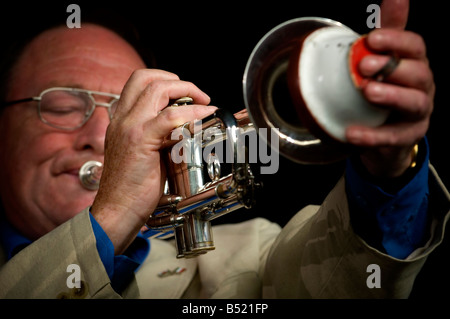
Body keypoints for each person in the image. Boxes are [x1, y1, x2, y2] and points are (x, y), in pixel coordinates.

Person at [0, 0, 448, 299]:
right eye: (60, 105)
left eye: (126, 113)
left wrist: (387, 170)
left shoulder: (246, 258)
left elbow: (344, 282)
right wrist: (112, 215)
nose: (101, 133)